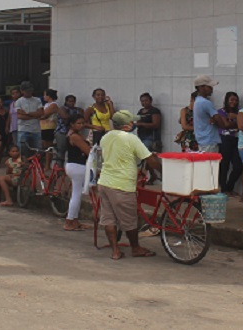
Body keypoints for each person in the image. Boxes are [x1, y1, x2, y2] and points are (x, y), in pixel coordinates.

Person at [97, 110, 162, 260]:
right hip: (122, 185)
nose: (134, 124)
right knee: (129, 220)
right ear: (127, 125)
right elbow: (150, 159)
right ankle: (135, 248)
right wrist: (163, 170)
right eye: (132, 122)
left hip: (105, 183)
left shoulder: (106, 137)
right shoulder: (131, 139)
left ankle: (115, 251)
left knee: (109, 218)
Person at [64, 115, 92, 231]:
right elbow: (88, 151)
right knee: (76, 195)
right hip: (77, 166)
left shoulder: (73, 134)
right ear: (72, 124)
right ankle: (69, 221)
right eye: (78, 123)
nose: (81, 125)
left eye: (82, 123)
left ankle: (75, 221)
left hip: (74, 166)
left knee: (77, 194)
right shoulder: (75, 136)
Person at [192, 75, 226, 154]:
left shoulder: (197, 101)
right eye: (209, 87)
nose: (212, 89)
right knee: (211, 165)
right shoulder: (206, 103)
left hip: (202, 141)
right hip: (209, 141)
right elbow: (221, 124)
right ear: (201, 87)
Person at [218, 92, 242, 196]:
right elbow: (226, 125)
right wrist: (238, 122)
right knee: (224, 165)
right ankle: (223, 188)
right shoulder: (221, 112)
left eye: (236, 100)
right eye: (232, 100)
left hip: (236, 139)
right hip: (224, 139)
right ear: (226, 100)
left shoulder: (239, 113)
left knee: (238, 166)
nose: (234, 102)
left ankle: (229, 187)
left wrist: (236, 118)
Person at [15, 82, 43, 156]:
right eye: (26, 91)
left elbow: (40, 113)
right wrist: (34, 115)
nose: (29, 92)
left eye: (30, 90)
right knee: (22, 150)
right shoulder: (19, 101)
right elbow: (19, 115)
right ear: (22, 91)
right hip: (23, 129)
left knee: (38, 150)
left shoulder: (37, 100)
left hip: (36, 129)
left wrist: (27, 113)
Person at [55, 94, 83, 168]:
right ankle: (59, 167)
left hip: (74, 133)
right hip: (62, 132)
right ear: (66, 101)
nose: (72, 103)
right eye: (70, 101)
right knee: (61, 149)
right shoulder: (62, 108)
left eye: (73, 101)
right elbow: (65, 116)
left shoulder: (77, 109)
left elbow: (82, 118)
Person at [40, 89, 60, 170]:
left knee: (49, 146)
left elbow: (43, 115)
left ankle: (48, 165)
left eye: (45, 95)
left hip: (49, 127)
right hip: (44, 127)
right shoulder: (46, 105)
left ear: (49, 96)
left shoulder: (53, 105)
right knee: (45, 146)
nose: (44, 97)